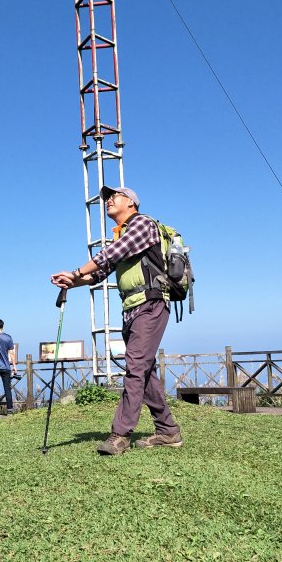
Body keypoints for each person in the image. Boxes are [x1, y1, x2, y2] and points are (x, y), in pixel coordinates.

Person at [51, 185, 182, 455]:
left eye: (115, 196)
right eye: (108, 197)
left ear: (132, 203)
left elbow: (109, 256)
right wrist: (71, 281)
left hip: (151, 304)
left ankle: (120, 435)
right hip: (133, 308)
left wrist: (76, 271)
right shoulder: (122, 236)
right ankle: (168, 431)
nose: (109, 200)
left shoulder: (142, 225)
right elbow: (99, 273)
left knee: (135, 367)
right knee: (144, 372)